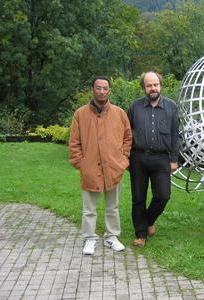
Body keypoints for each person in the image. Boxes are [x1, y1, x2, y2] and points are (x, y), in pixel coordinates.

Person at [69, 76, 132, 255]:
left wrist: (123, 160)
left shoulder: (119, 113)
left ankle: (111, 236)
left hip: (114, 168)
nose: (102, 91)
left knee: (113, 206)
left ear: (109, 90)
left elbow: (128, 138)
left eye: (105, 88)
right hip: (90, 169)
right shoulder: (80, 114)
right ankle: (89, 238)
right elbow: (74, 142)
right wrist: (81, 163)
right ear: (92, 89)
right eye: (98, 88)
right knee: (89, 208)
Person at [127, 71, 179, 247]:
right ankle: (141, 234)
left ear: (160, 86)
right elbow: (127, 135)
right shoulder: (134, 108)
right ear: (144, 88)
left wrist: (174, 159)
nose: (153, 88)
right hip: (138, 158)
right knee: (138, 198)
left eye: (155, 84)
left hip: (162, 159)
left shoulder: (171, 107)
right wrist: (126, 157)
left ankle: (148, 221)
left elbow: (175, 135)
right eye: (149, 85)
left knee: (163, 196)